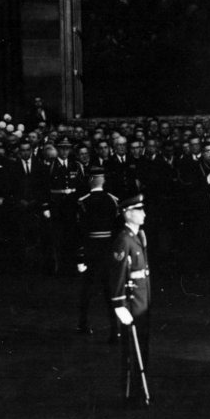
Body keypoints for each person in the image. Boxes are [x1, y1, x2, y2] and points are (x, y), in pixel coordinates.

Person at [107, 194, 152, 406]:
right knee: (133, 351)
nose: (143, 213)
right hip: (132, 304)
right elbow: (117, 275)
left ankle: (139, 390)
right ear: (128, 213)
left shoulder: (137, 236)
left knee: (141, 348)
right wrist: (119, 304)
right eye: (139, 210)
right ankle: (132, 393)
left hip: (142, 302)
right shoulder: (124, 240)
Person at [75, 167, 119, 340]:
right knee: (111, 291)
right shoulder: (113, 200)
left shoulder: (83, 201)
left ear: (91, 179)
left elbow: (80, 231)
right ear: (103, 180)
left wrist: (80, 256)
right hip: (108, 250)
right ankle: (115, 329)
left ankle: (83, 324)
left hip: (91, 250)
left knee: (87, 289)